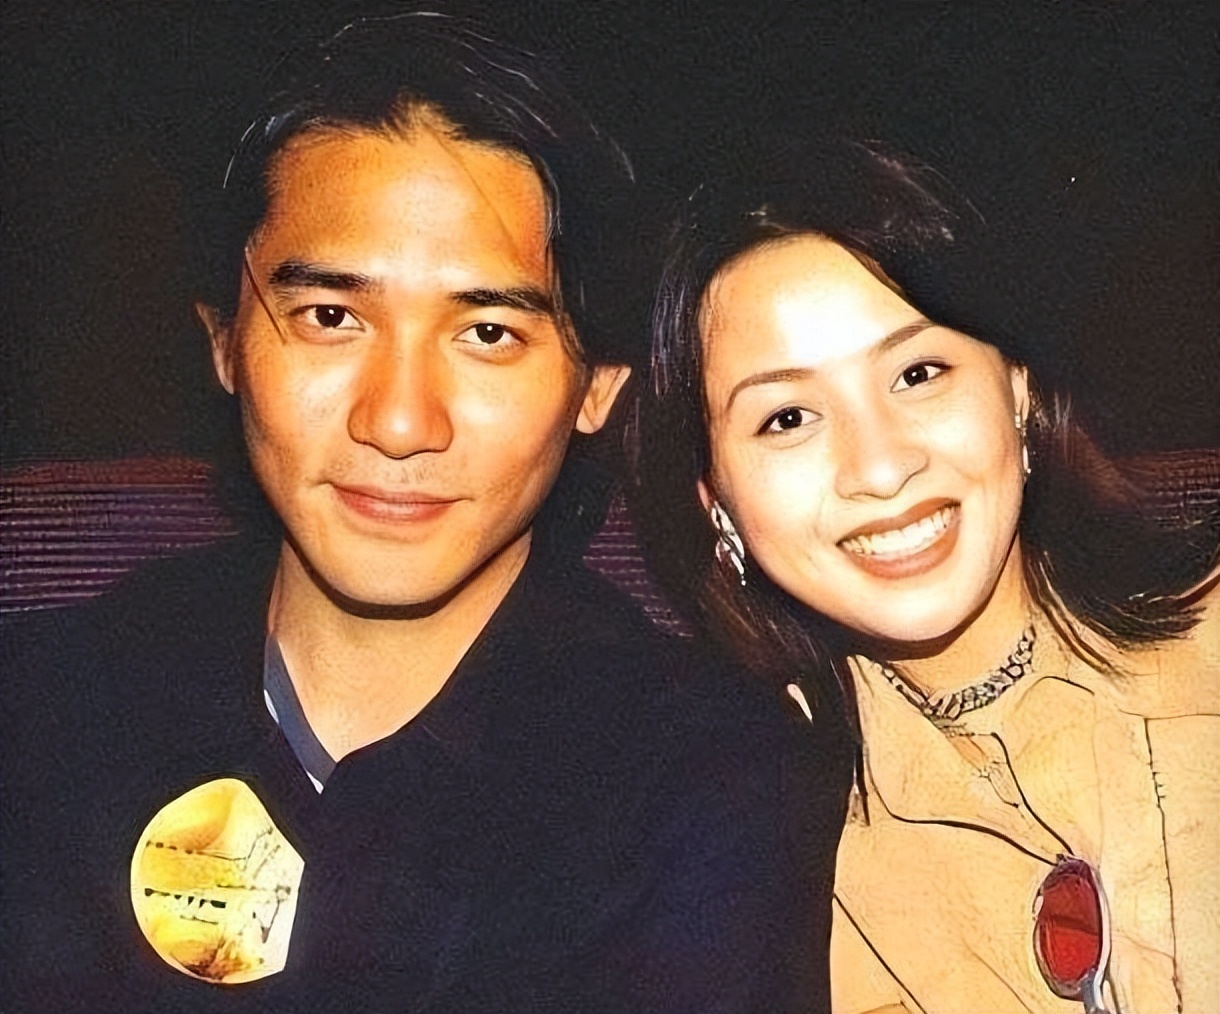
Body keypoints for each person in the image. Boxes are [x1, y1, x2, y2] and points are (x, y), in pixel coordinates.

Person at [0, 17, 850, 1012]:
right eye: (331, 317)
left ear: (596, 386)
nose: (399, 421)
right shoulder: (44, 712)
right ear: (225, 341)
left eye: (487, 332)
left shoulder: (704, 785)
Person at [630, 140, 1219, 1013]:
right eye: (787, 418)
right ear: (718, 504)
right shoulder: (753, 836)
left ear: (1017, 387)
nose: (880, 466)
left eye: (917, 373)